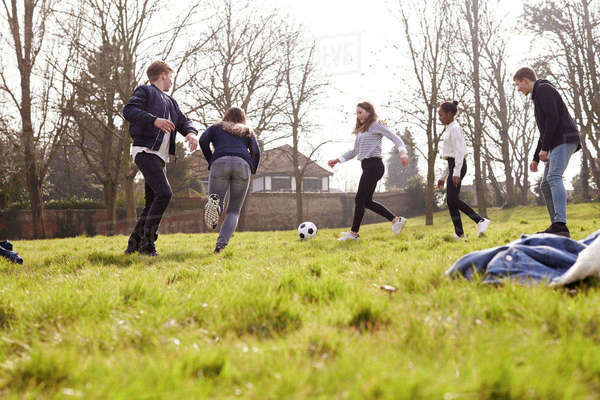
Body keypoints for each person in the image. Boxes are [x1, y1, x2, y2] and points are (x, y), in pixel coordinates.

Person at [123, 61, 199, 256]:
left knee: (152, 201)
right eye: (170, 77)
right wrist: (153, 120)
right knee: (165, 193)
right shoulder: (145, 91)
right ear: (163, 75)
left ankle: (133, 244)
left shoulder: (172, 102)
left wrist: (190, 134)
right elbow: (129, 111)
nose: (171, 81)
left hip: (159, 156)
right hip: (145, 151)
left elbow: (184, 121)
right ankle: (147, 245)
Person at [514, 67, 581, 237]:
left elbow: (553, 118)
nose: (518, 88)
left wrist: (545, 149)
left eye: (518, 84)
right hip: (556, 141)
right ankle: (556, 227)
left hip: (564, 138)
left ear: (526, 80)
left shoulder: (543, 89)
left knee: (553, 177)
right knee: (545, 185)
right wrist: (536, 157)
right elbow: (544, 131)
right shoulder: (538, 95)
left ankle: (560, 224)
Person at [328, 102, 408, 241]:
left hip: (374, 165)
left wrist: (403, 153)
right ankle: (396, 220)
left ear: (369, 112)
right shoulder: (361, 131)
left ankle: (354, 234)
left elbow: (395, 138)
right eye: (357, 113)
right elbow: (354, 151)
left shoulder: (376, 125)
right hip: (366, 166)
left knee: (359, 199)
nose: (358, 116)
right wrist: (337, 160)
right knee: (367, 201)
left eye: (361, 112)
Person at [199, 107, 260, 254]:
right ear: (242, 118)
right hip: (242, 165)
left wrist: (211, 160)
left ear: (225, 116)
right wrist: (252, 171)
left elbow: (202, 140)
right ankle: (220, 246)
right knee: (233, 210)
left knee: (216, 199)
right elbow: (256, 152)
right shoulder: (247, 131)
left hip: (220, 162)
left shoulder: (216, 127)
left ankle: (215, 205)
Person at [437, 101, 490, 239]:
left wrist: (456, 173)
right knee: (451, 200)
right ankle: (460, 233)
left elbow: (459, 152)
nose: (439, 118)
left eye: (441, 115)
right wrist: (443, 177)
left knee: (452, 199)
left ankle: (480, 220)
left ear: (449, 114)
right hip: (453, 165)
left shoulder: (455, 128)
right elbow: (450, 156)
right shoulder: (449, 128)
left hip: (458, 166)